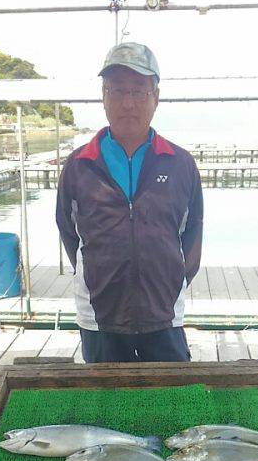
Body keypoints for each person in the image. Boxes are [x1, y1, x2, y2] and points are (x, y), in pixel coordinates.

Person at [56, 42, 203, 363]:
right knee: (106, 406)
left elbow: (192, 235)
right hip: (99, 316)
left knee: (172, 403)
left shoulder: (181, 164)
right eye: (117, 91)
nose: (128, 103)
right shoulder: (79, 165)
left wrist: (171, 284)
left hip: (164, 315)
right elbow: (69, 232)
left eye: (139, 92)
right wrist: (97, 274)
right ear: (103, 97)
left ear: (156, 98)